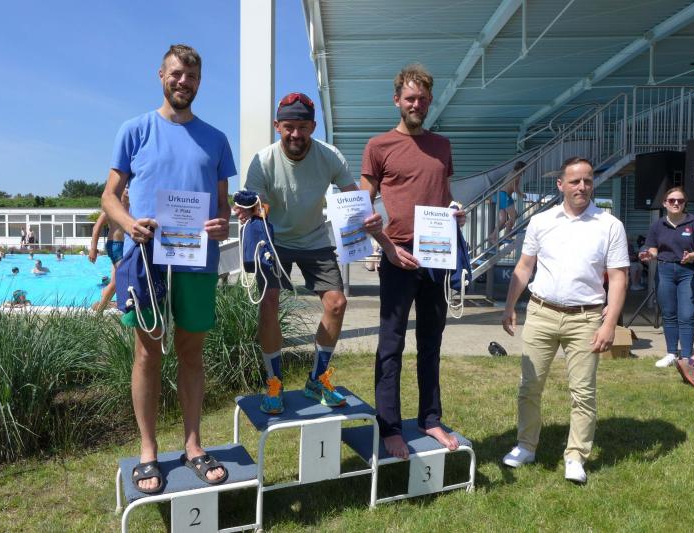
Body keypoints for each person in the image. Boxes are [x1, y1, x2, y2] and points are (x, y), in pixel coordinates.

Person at [101, 44, 234, 492]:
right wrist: (128, 223)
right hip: (145, 258)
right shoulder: (135, 130)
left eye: (191, 76)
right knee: (147, 352)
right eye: (176, 74)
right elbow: (109, 196)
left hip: (196, 257)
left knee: (192, 352)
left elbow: (222, 205)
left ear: (199, 82)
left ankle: (193, 445)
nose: (183, 82)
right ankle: (148, 450)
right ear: (161, 75)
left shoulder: (216, 139)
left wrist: (222, 224)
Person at [237, 92, 384, 415]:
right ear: (277, 126)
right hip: (274, 239)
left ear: (313, 127)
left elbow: (354, 198)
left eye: (303, 127)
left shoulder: (330, 156)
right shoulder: (263, 161)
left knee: (337, 303)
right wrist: (251, 209)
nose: (296, 134)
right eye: (289, 126)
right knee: (269, 302)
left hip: (315, 239)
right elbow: (258, 206)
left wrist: (371, 221)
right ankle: (274, 382)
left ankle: (316, 379)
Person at [500, 157, 629, 484]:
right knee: (529, 386)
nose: (582, 187)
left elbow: (618, 277)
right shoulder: (541, 221)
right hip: (541, 313)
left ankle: (575, 456)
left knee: (583, 392)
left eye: (587, 181)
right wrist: (510, 305)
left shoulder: (609, 225)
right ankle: (526, 446)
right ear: (560, 185)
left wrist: (610, 323)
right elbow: (524, 266)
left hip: (585, 319)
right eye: (574, 181)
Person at [360, 64, 466, 459]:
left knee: (431, 344)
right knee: (391, 344)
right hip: (398, 257)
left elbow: (443, 193)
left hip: (437, 258)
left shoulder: (442, 146)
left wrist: (455, 212)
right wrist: (386, 246)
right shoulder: (379, 146)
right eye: (410, 98)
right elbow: (362, 206)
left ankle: (430, 418)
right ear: (397, 101)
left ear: (429, 100)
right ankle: (389, 426)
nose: (416, 104)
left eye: (422, 99)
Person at [640, 187, 694, 368]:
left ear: (685, 203)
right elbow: (653, 248)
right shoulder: (657, 225)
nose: (676, 203)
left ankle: (686, 357)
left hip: (689, 271)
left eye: (680, 201)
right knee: (668, 314)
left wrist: (691, 256)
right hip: (665, 271)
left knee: (686, 315)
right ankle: (671, 354)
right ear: (664, 203)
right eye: (672, 200)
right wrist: (649, 255)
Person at [89, 189, 129, 312]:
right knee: (118, 281)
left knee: (120, 279)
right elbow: (96, 228)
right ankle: (100, 311)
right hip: (115, 246)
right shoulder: (112, 209)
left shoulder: (132, 208)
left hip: (127, 246)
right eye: (125, 188)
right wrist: (93, 248)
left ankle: (106, 303)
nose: (128, 190)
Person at [488, 161, 526, 245]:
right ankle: (507, 235)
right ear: (521, 168)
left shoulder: (512, 173)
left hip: (500, 195)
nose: (524, 171)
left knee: (503, 219)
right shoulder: (517, 175)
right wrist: (521, 195)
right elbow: (514, 187)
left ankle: (493, 236)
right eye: (524, 169)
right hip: (504, 196)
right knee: (514, 216)